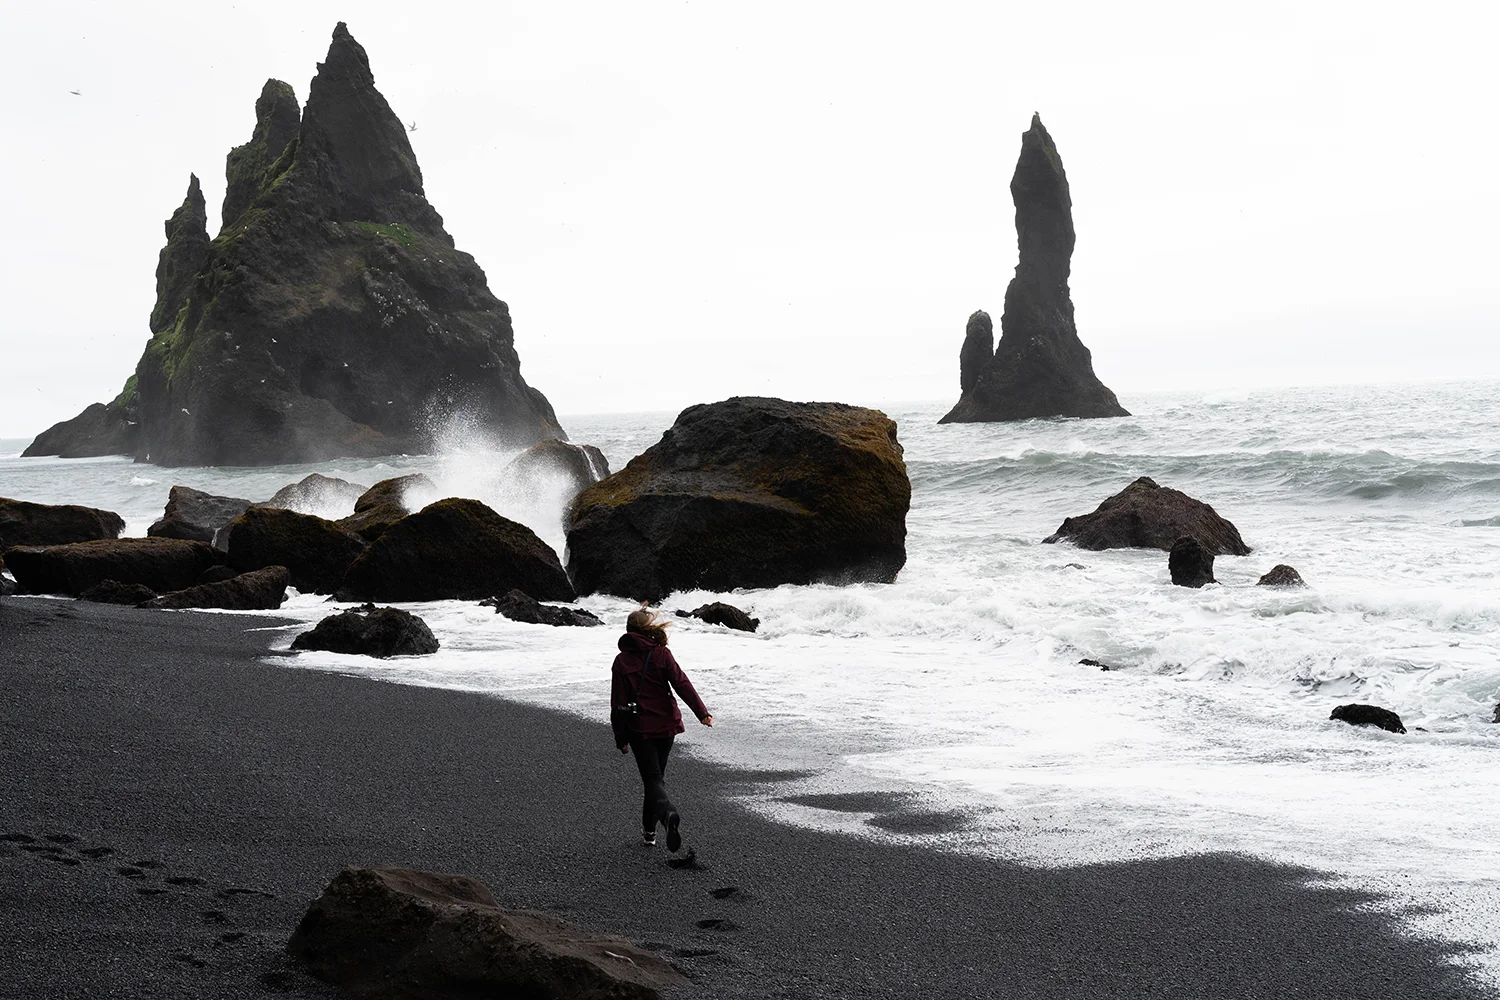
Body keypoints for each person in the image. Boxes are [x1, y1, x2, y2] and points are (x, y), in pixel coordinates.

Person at [611, 607, 713, 851]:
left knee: (652, 780)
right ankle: (650, 831)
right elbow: (681, 683)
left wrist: (621, 737)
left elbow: (618, 704)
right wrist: (702, 713)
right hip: (666, 726)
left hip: (640, 729)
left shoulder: (621, 661)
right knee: (656, 780)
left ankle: (666, 816)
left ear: (629, 631)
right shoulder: (662, 654)